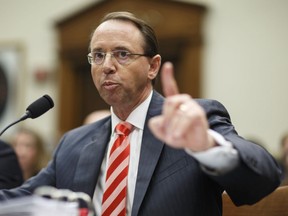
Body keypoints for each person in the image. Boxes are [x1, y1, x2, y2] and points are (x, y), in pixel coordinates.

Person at [0, 11, 281, 216]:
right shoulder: (73, 143)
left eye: (122, 54)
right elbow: (20, 200)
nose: (106, 65)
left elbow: (263, 180)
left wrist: (206, 146)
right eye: (97, 55)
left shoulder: (193, 121)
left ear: (153, 66)